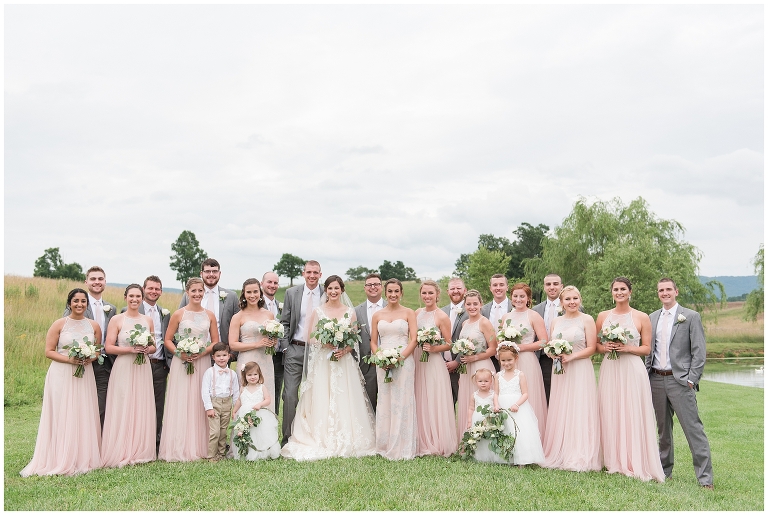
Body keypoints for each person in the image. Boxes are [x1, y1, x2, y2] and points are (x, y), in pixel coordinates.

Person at [281, 275, 376, 460]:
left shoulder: (350, 311)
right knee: (323, 396)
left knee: (345, 397)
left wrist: (345, 349)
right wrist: (327, 342)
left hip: (344, 362)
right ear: (326, 290)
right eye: (330, 288)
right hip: (324, 361)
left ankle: (349, 435)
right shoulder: (318, 311)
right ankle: (319, 435)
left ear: (342, 290)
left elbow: (355, 339)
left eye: (336, 288)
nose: (333, 292)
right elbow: (311, 337)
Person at [21, 289, 103, 477]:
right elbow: (49, 351)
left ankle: (82, 456)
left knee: (82, 411)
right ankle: (58, 457)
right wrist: (71, 360)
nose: (79, 304)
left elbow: (98, 351)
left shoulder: (94, 326)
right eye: (76, 301)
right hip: (61, 373)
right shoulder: (59, 324)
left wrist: (88, 357)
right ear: (69, 303)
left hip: (84, 374)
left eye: (83, 301)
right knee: (61, 411)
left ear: (87, 304)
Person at [646, 278, 713, 489]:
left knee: (693, 429)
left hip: (681, 382)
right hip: (656, 379)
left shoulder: (690, 316)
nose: (664, 293)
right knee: (663, 431)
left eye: (668, 289)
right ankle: (665, 471)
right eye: (660, 290)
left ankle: (705, 479)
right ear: (657, 293)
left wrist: (692, 379)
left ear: (676, 291)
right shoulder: (652, 318)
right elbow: (649, 349)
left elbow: (699, 352)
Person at [596, 277, 664, 482]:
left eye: (623, 289)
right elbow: (597, 345)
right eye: (616, 289)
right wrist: (605, 348)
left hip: (632, 369)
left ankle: (634, 460)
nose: (619, 292)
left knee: (632, 410)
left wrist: (627, 348)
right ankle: (612, 459)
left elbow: (647, 348)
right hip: (611, 367)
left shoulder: (642, 317)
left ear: (630, 292)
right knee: (611, 410)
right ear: (612, 293)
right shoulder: (602, 316)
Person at [158, 278, 218, 462]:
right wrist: (179, 353)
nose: (197, 294)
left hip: (202, 361)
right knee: (181, 400)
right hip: (181, 362)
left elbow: (215, 341)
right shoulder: (178, 314)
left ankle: (201, 445)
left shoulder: (210, 315)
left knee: (200, 400)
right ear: (187, 292)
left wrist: (201, 353)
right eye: (194, 291)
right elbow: (167, 339)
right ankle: (179, 446)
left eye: (200, 291)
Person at [542, 285, 601, 472]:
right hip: (560, 370)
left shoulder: (587, 319)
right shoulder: (555, 321)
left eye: (575, 298)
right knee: (562, 407)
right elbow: (551, 344)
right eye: (567, 299)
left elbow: (592, 347)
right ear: (561, 302)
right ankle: (561, 450)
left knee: (579, 407)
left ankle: (581, 453)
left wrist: (572, 357)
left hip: (580, 367)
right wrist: (552, 354)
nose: (572, 302)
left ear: (580, 300)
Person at [101, 284, 157, 467]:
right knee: (122, 403)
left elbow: (154, 346)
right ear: (125, 297)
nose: (135, 299)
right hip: (124, 366)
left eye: (138, 296)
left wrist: (147, 348)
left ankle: (139, 448)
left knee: (140, 404)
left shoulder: (148, 320)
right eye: (131, 296)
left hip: (142, 367)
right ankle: (120, 448)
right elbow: (108, 347)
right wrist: (130, 349)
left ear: (142, 298)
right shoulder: (117, 319)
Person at [120, 275, 171, 453]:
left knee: (157, 405)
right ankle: (132, 441)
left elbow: (165, 338)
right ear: (143, 290)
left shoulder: (164, 313)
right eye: (150, 288)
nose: (153, 291)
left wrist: (167, 362)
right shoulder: (128, 309)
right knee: (135, 403)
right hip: (135, 364)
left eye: (157, 289)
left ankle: (155, 443)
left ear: (161, 291)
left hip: (159, 364)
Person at [370, 278, 418, 460]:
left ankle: (403, 445)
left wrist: (400, 358)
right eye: (390, 291)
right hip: (383, 363)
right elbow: (373, 341)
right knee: (385, 400)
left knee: (402, 400)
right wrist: (380, 357)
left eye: (396, 291)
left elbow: (413, 339)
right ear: (385, 292)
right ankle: (384, 444)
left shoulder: (408, 313)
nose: (393, 295)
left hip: (404, 361)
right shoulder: (377, 315)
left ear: (401, 293)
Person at [63, 266, 117, 429]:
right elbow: (68, 332)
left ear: (105, 282)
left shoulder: (111, 308)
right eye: (93, 279)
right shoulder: (75, 305)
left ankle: (98, 443)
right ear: (86, 282)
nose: (97, 282)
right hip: (81, 361)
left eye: (100, 279)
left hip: (104, 363)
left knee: (102, 404)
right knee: (80, 402)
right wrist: (79, 354)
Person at [279, 260, 323, 446]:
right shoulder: (292, 293)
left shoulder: (327, 293)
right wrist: (286, 347)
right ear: (303, 273)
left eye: (316, 272)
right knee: (290, 394)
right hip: (295, 349)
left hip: (319, 350)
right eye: (309, 272)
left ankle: (315, 434)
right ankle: (288, 437)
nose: (312, 275)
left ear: (320, 274)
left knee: (317, 393)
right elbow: (285, 322)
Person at [498, 283, 548, 441]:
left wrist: (521, 347)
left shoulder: (533, 316)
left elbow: (543, 342)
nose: (518, 299)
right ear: (511, 298)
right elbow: (500, 338)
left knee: (528, 398)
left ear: (528, 299)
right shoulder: (506, 317)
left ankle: (531, 440)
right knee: (508, 397)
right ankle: (510, 438)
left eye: (522, 296)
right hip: (508, 363)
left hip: (527, 361)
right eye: (515, 296)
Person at [414, 280, 457, 457]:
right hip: (418, 360)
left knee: (433, 398)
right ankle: (420, 438)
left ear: (437, 294)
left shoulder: (442, 317)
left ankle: (437, 440)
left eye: (431, 293)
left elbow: (449, 344)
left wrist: (433, 348)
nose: (427, 296)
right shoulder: (416, 313)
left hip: (433, 362)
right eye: (424, 293)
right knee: (419, 397)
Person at [229, 279, 277, 412]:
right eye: (248, 292)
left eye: (255, 291)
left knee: (265, 395)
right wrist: (257, 344)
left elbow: (272, 338)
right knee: (247, 397)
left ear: (260, 293)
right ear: (243, 294)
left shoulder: (269, 314)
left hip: (266, 362)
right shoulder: (238, 317)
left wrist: (273, 342)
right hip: (247, 360)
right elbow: (233, 344)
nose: (252, 295)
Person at [456, 290, 498, 440]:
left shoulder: (485, 322)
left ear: (481, 305)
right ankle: (469, 438)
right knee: (469, 402)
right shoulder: (464, 323)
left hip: (481, 367)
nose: (472, 307)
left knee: (484, 401)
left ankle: (487, 438)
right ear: (465, 305)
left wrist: (475, 357)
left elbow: (493, 348)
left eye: (475, 304)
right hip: (466, 369)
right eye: (468, 304)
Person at [495, 345, 545, 466]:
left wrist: (517, 404)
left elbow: (525, 393)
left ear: (516, 358)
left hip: (517, 407)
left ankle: (522, 458)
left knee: (519, 431)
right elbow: (496, 393)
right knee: (505, 431)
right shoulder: (498, 375)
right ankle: (507, 457)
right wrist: (496, 405)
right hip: (503, 406)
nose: (506, 363)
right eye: (503, 360)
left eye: (509, 360)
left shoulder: (520, 375)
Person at [179, 258, 239, 350]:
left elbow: (238, 326)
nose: (211, 274)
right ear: (201, 273)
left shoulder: (232, 296)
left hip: (222, 352)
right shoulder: (189, 296)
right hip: (194, 350)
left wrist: (232, 354)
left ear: (220, 273)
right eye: (207, 271)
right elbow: (180, 323)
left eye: (214, 271)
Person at [231, 361, 280, 460]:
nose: (252, 377)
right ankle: (246, 451)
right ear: (245, 376)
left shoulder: (262, 387)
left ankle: (262, 453)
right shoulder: (243, 388)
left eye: (255, 374)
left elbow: (268, 399)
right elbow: (239, 400)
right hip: (244, 414)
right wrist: (234, 410)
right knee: (246, 432)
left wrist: (260, 404)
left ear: (259, 375)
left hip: (258, 414)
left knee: (260, 433)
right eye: (249, 375)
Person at [201, 343, 240, 461]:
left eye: (224, 355)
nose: (221, 358)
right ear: (213, 357)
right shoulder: (209, 372)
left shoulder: (232, 374)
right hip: (214, 403)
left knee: (223, 431)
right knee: (215, 432)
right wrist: (209, 407)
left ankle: (221, 453)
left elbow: (236, 392)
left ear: (229, 356)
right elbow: (204, 391)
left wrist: (235, 409)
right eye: (218, 356)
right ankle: (211, 455)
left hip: (227, 404)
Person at [353, 272, 386, 410]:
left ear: (382, 287)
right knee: (368, 405)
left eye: (376, 284)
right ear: (365, 288)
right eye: (369, 285)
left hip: (389, 363)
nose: (373, 287)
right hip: (366, 365)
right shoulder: (356, 311)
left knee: (387, 405)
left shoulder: (391, 307)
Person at [531, 273, 563, 404]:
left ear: (561, 286)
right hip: (542, 357)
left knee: (563, 391)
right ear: (544, 287)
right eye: (548, 284)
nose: (552, 287)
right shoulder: (536, 310)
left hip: (564, 356)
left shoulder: (572, 305)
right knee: (546, 392)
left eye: (555, 284)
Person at [441, 277, 469, 404]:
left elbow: (473, 339)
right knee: (445, 405)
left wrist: (457, 361)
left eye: (458, 288)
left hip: (464, 365)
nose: (455, 291)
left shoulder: (471, 310)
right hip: (442, 366)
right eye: (452, 288)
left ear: (465, 290)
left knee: (465, 403)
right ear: (448, 291)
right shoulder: (441, 311)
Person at [466, 368, 503, 464]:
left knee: (490, 437)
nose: (483, 383)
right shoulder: (474, 395)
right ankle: (478, 456)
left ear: (491, 381)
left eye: (486, 381)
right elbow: (471, 408)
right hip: (477, 419)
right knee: (478, 436)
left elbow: (496, 405)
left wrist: (495, 411)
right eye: (480, 381)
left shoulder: (493, 394)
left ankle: (491, 455)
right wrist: (469, 421)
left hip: (489, 419)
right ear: (476, 382)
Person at [261, 271, 284, 415]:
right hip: (261, 354)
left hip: (278, 356)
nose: (272, 285)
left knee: (275, 393)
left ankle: (273, 426)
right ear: (261, 283)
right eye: (269, 282)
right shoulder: (255, 304)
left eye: (275, 283)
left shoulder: (281, 305)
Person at [481, 274, 512, 372]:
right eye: (495, 285)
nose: (498, 288)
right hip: (488, 358)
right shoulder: (483, 310)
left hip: (511, 358)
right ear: (490, 288)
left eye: (501, 285)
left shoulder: (515, 307)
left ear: (507, 287)